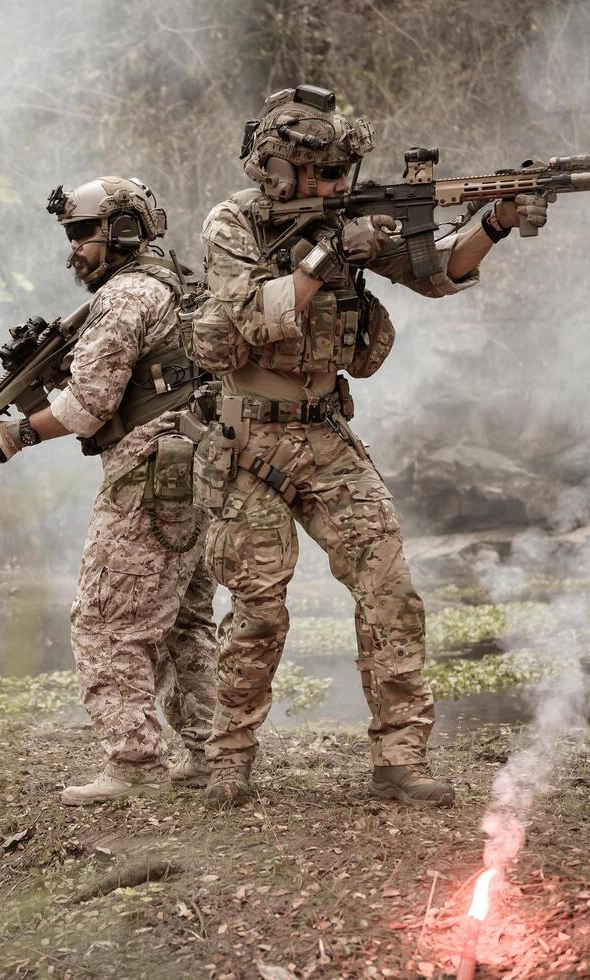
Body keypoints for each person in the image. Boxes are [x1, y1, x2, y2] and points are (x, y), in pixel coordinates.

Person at [191, 84, 551, 808]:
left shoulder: (348, 219)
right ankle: (228, 759)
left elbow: (437, 272)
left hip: (323, 432)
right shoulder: (233, 223)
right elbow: (248, 321)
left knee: (391, 592)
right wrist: (328, 254)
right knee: (259, 611)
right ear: (278, 170)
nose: (336, 187)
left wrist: (499, 221)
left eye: (341, 175)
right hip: (244, 439)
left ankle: (398, 758)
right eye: (322, 175)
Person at [0, 176, 218, 805]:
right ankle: (208, 752)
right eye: (70, 235)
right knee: (185, 618)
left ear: (126, 230)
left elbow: (86, 406)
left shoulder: (125, 298)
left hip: (150, 472)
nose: (74, 248)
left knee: (107, 619)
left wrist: (17, 432)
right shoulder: (182, 285)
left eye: (84, 233)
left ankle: (133, 764)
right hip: (200, 463)